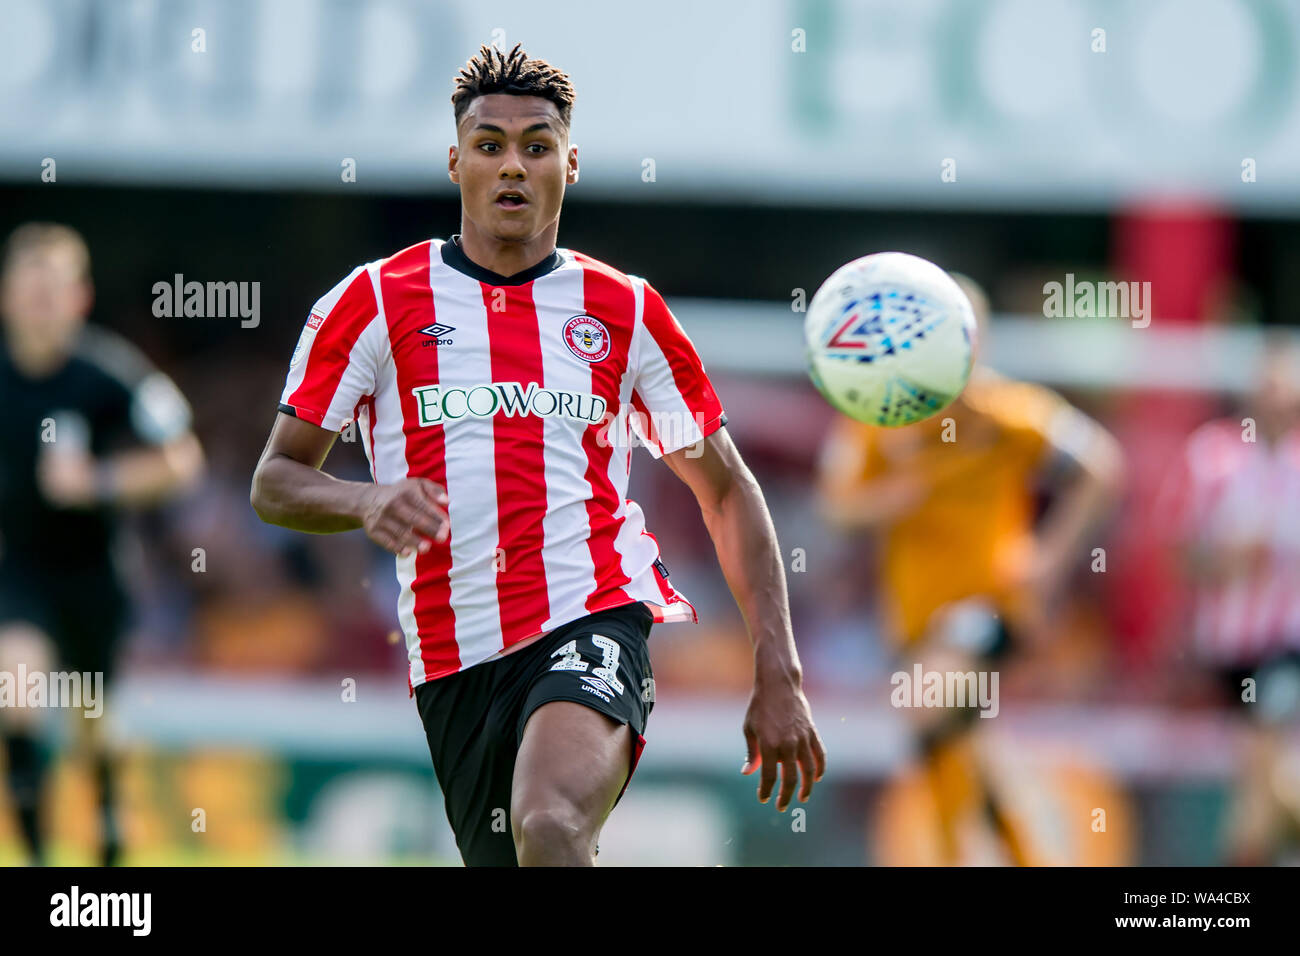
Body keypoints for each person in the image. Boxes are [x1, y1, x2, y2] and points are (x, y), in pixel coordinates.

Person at [250, 43, 825, 866]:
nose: (512, 166)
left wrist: (781, 671)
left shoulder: (622, 309)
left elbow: (726, 490)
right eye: (489, 145)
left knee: (551, 824)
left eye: (536, 145)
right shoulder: (374, 301)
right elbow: (274, 482)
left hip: (592, 611)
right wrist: (365, 500)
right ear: (456, 162)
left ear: (571, 162)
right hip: (455, 655)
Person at [815, 274, 1123, 864]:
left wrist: (1050, 559)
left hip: (991, 606)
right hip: (912, 619)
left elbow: (1100, 467)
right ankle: (1021, 855)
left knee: (928, 705)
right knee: (948, 746)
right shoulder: (883, 413)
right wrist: (888, 499)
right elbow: (836, 505)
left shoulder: (1010, 413)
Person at [0, 222, 204, 865]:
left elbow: (182, 459)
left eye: (52, 290)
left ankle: (108, 839)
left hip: (94, 575)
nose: (39, 304)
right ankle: (35, 859)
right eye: (28, 290)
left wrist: (98, 480)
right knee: (18, 698)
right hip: (19, 571)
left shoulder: (109, 372)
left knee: (94, 730)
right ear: (6, 297)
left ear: (79, 298)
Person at [1158, 335, 1300, 865]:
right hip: (1227, 647)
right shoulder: (1211, 457)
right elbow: (1177, 555)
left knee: (1262, 751)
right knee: (1262, 775)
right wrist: (1225, 562)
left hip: (1287, 644)